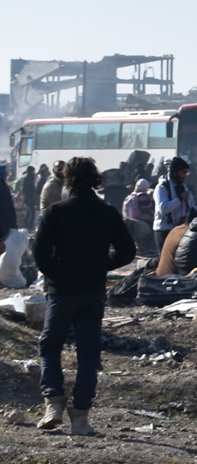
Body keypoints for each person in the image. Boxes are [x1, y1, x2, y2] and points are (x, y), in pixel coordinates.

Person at [34, 157, 136, 435]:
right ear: (96, 180)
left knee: (50, 344)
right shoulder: (107, 212)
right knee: (88, 352)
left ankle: (53, 402)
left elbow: (40, 256)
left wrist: (56, 271)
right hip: (93, 291)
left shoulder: (54, 212)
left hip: (61, 291)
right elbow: (127, 252)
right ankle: (80, 418)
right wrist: (102, 264)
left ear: (67, 180)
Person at [153, 157, 197, 252]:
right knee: (165, 260)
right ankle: (145, 263)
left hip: (181, 228)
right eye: (183, 172)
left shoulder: (185, 187)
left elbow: (192, 205)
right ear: (175, 172)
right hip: (164, 229)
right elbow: (164, 208)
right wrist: (180, 198)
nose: (186, 175)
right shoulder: (162, 188)